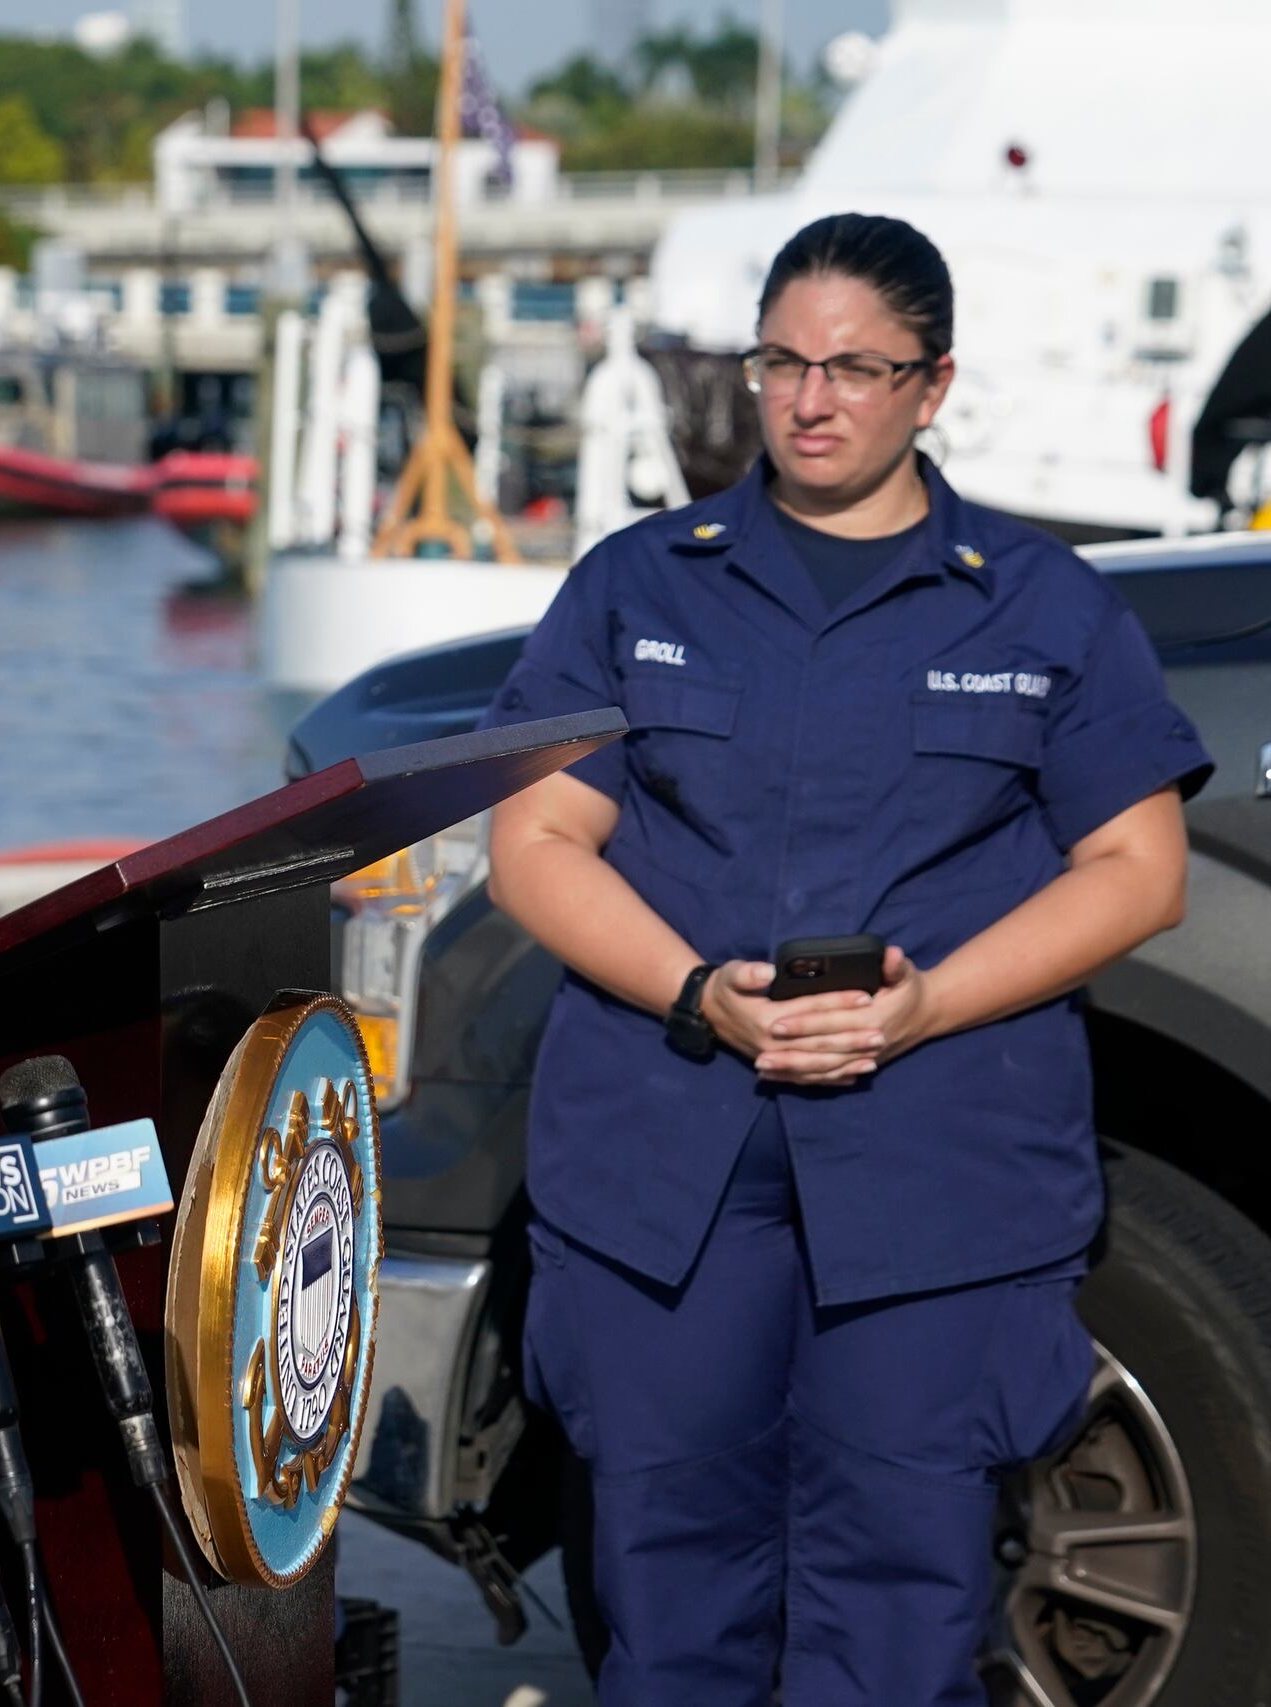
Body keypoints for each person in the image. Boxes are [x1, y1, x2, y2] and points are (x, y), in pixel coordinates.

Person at [479, 212, 1212, 1705]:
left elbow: (1139, 874)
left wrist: (932, 1002)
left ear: (933, 387)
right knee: (666, 1601)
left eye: (858, 370)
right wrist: (695, 992)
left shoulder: (1042, 603)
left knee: (902, 1610)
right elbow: (536, 842)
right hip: (667, 1168)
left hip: (937, 1177)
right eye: (784, 362)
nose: (812, 400)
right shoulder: (637, 585)